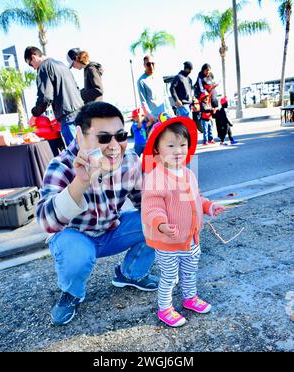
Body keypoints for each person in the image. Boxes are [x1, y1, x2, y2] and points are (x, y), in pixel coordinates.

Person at [36, 101, 158, 326]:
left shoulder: (129, 160)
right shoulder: (60, 166)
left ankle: (130, 274)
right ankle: (72, 293)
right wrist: (80, 181)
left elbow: (146, 204)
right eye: (103, 138)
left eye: (120, 135)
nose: (114, 145)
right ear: (80, 136)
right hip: (75, 238)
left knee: (157, 219)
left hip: (111, 231)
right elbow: (46, 222)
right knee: (77, 254)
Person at [141, 114, 225, 327]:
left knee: (190, 271)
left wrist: (208, 206)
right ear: (157, 149)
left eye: (182, 144)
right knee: (169, 277)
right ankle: (165, 308)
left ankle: (189, 298)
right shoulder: (156, 177)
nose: (178, 150)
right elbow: (152, 207)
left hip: (191, 238)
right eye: (171, 145)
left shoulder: (188, 174)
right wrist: (160, 223)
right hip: (168, 242)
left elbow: (196, 197)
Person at [24, 46, 83, 146]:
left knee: (76, 153)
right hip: (81, 112)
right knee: (89, 150)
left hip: (67, 117)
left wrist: (35, 114)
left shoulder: (43, 68)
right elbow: (76, 88)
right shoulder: (62, 65)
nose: (33, 68)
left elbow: (46, 97)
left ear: (33, 57)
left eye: (30, 64)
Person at [137, 55, 172, 127]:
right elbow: (143, 101)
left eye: (153, 63)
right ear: (144, 65)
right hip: (153, 120)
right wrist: (149, 115)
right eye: (148, 64)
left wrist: (170, 112)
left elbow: (165, 96)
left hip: (165, 116)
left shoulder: (159, 78)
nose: (151, 66)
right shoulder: (141, 81)